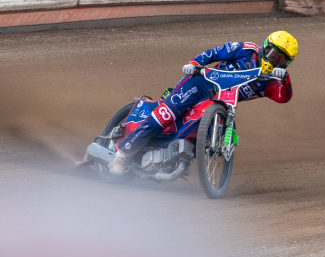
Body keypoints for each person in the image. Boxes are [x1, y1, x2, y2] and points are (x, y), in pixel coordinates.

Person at [109, 31, 298, 175]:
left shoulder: (270, 83)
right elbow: (215, 53)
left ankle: (177, 157)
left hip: (220, 102)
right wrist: (194, 63)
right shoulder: (247, 49)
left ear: (286, 64)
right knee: (167, 114)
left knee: (206, 135)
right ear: (265, 46)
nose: (274, 60)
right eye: (272, 53)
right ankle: (124, 153)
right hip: (200, 83)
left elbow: (284, 97)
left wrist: (285, 78)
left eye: (281, 60)